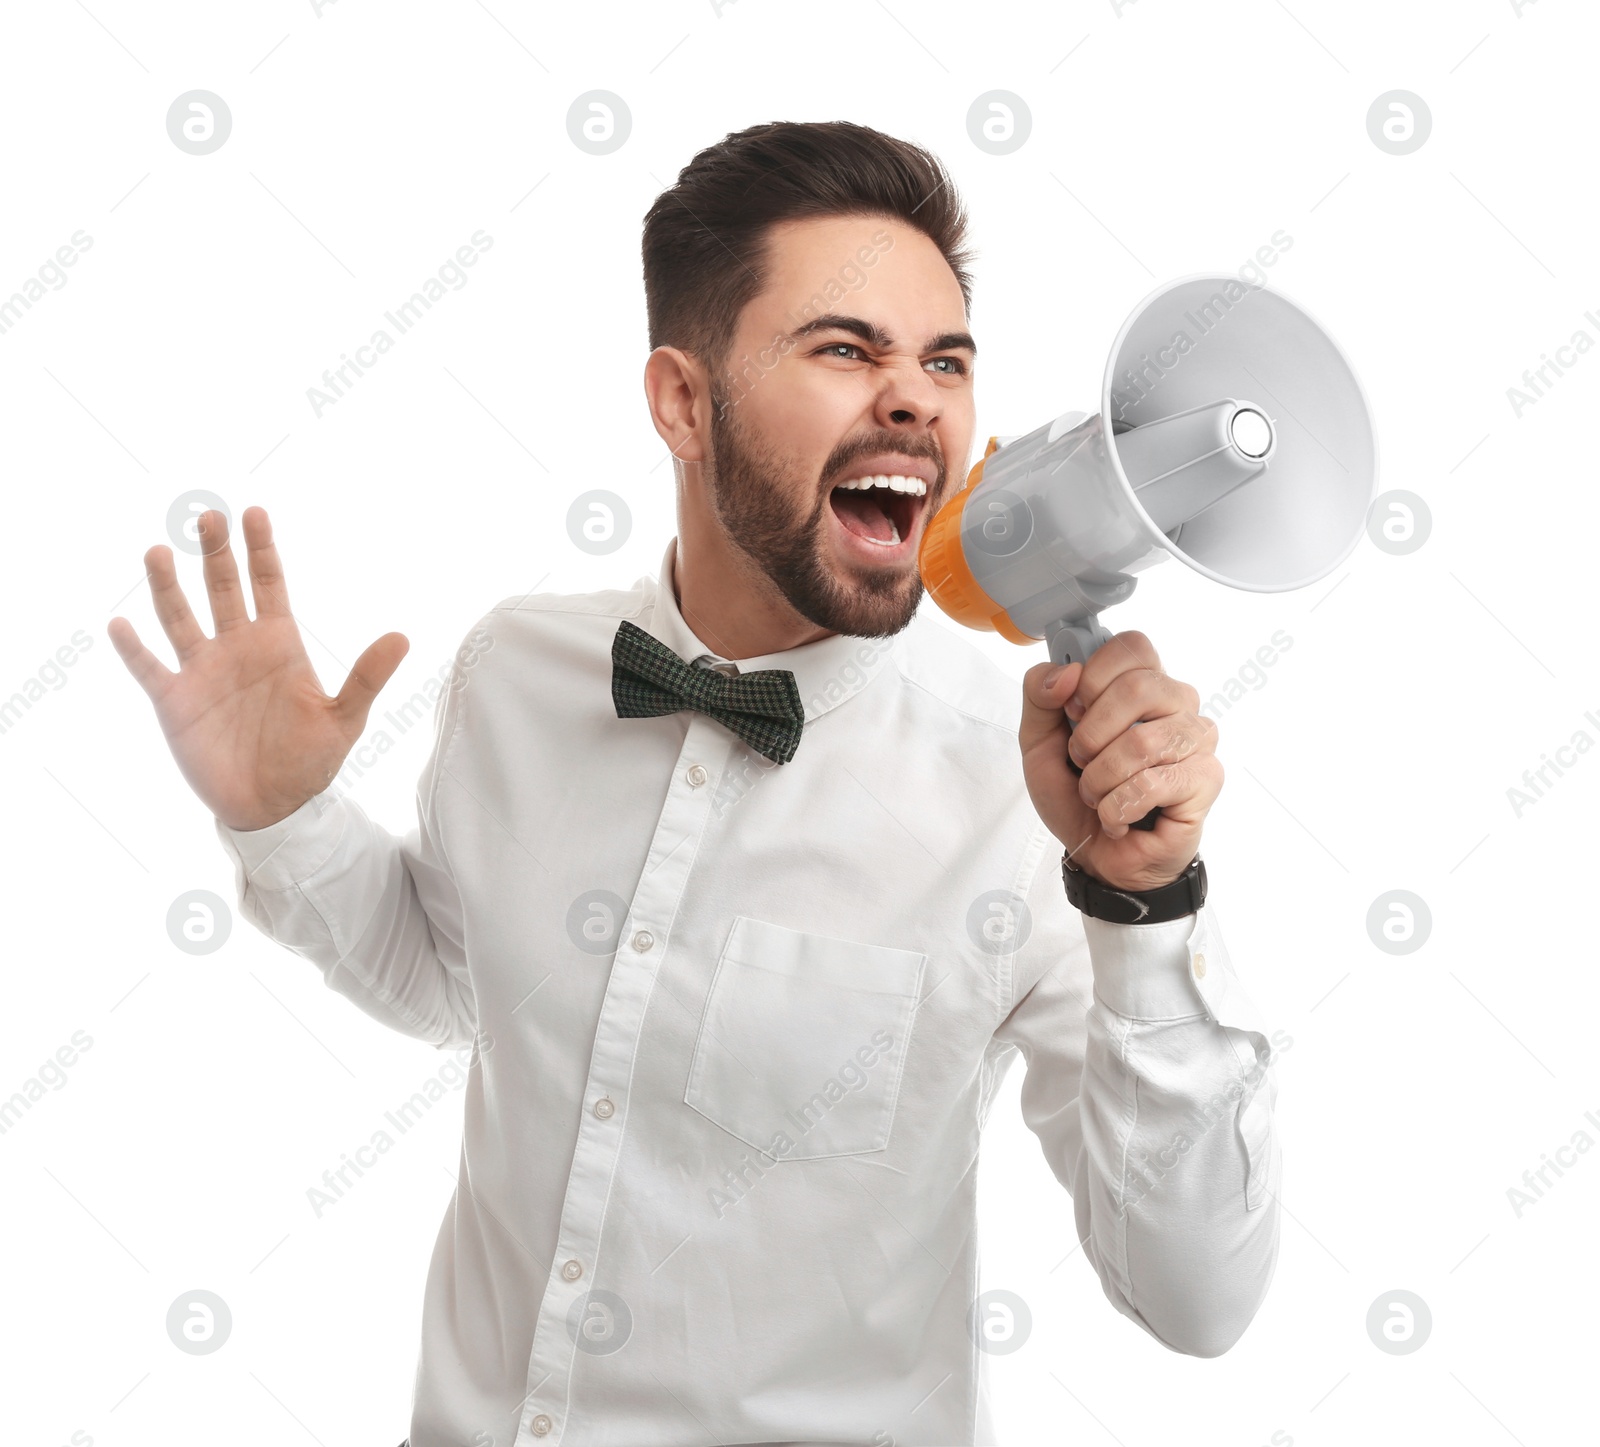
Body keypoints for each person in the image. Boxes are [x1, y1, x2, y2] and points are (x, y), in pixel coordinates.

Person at [110, 119, 1282, 1447]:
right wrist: (286, 819)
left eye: (943, 362)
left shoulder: (1022, 793)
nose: (914, 398)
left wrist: (1147, 900)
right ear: (681, 400)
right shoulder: (516, 671)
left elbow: (1198, 1297)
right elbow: (460, 986)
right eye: (846, 349)